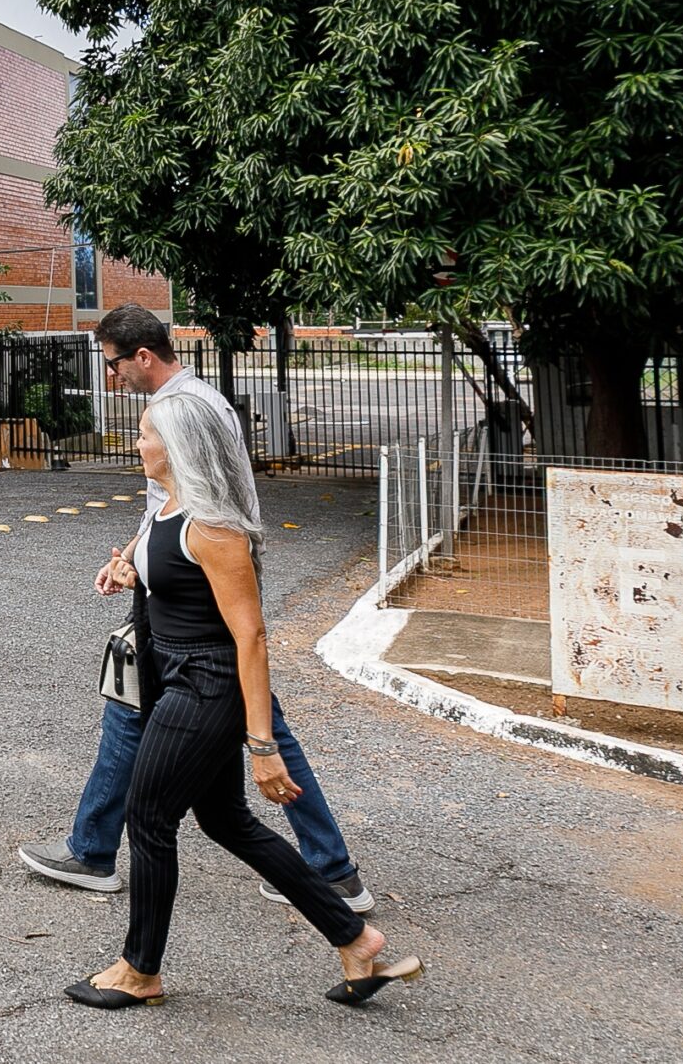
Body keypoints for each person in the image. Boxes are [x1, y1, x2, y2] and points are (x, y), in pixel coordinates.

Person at [66, 391, 422, 1009]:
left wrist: (263, 745)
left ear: (177, 446)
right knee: (225, 821)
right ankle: (355, 938)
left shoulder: (215, 527)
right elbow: (173, 583)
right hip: (174, 676)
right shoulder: (168, 510)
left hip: (207, 684)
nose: (138, 442)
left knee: (149, 819)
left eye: (147, 434)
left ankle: (139, 970)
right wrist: (131, 573)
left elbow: (251, 635)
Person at [18, 304, 373, 914]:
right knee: (134, 706)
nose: (111, 378)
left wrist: (172, 568)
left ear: (143, 357)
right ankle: (95, 847)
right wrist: (133, 555)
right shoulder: (178, 407)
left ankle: (329, 868)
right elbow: (166, 501)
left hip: (198, 584)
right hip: (175, 572)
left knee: (251, 719)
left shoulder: (188, 409)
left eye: (113, 364)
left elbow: (218, 504)